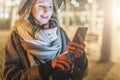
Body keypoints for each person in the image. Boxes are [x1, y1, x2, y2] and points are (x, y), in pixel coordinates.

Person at [3, 0, 88, 80]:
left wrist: (80, 59)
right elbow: (10, 76)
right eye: (41, 5)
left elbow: (75, 76)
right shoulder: (16, 37)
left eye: (50, 6)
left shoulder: (61, 34)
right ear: (30, 7)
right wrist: (47, 68)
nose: (46, 10)